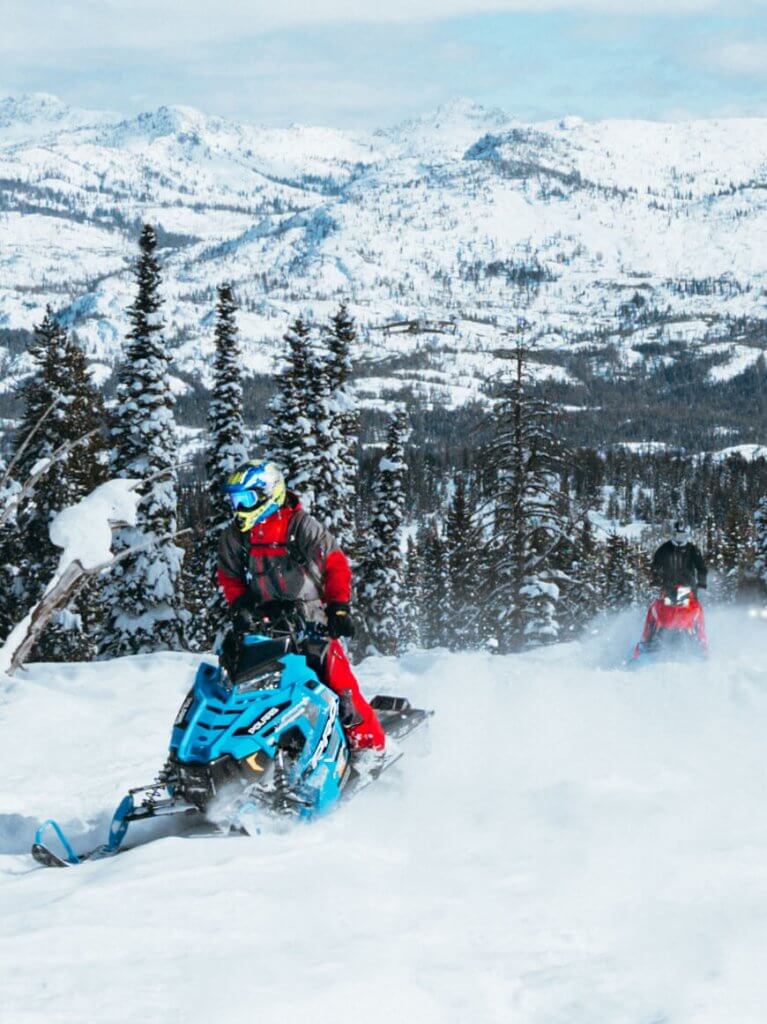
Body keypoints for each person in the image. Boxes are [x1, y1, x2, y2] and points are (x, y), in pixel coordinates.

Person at [216, 459, 385, 753]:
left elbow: (335, 565)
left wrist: (339, 607)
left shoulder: (300, 526)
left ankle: (369, 748)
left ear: (268, 494)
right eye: (235, 500)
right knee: (241, 687)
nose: (239, 508)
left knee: (339, 685)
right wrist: (241, 605)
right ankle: (246, 753)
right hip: (264, 626)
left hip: (311, 621)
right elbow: (229, 575)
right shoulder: (236, 536)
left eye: (246, 499)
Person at [634, 518, 708, 657]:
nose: (681, 539)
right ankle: (647, 639)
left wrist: (702, 583)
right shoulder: (664, 549)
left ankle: (701, 641)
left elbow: (701, 568)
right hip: (668, 587)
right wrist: (655, 581)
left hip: (688, 588)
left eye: (683, 536)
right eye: (678, 535)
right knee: (655, 609)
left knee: (697, 610)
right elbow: (655, 567)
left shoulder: (693, 550)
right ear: (673, 535)